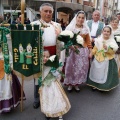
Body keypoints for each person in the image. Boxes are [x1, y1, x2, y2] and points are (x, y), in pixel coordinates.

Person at [31, 3, 63, 109]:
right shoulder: (34, 25)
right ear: (40, 12)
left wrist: (60, 36)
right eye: (46, 11)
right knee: (38, 79)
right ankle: (37, 99)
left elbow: (61, 42)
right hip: (40, 55)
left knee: (51, 79)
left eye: (50, 11)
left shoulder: (57, 25)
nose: (48, 13)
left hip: (54, 55)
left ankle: (50, 99)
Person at [63, 11, 92, 92]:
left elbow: (88, 42)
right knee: (71, 67)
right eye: (79, 17)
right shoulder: (70, 28)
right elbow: (65, 39)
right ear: (76, 18)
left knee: (79, 68)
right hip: (72, 51)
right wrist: (71, 45)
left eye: (83, 18)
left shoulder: (86, 29)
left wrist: (90, 51)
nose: (80, 19)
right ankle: (69, 84)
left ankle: (76, 84)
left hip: (82, 52)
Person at [39, 50, 71, 120]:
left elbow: (57, 74)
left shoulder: (51, 65)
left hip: (53, 84)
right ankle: (49, 113)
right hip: (45, 85)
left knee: (56, 98)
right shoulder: (40, 66)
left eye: (47, 57)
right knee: (47, 99)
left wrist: (54, 70)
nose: (45, 58)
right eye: (43, 56)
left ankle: (60, 114)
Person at [87, 26, 119, 91]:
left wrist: (107, 48)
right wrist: (91, 53)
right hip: (97, 58)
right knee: (96, 72)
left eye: (108, 31)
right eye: (105, 31)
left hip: (107, 59)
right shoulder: (99, 39)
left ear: (110, 33)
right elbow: (95, 48)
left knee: (105, 74)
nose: (106, 33)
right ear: (102, 32)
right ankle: (95, 85)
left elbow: (113, 51)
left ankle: (103, 86)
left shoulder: (112, 41)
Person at [0, 44, 25, 113]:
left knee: (8, 90)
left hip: (6, 75)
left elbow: (11, 61)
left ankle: (9, 105)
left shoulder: (6, 52)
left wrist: (11, 67)